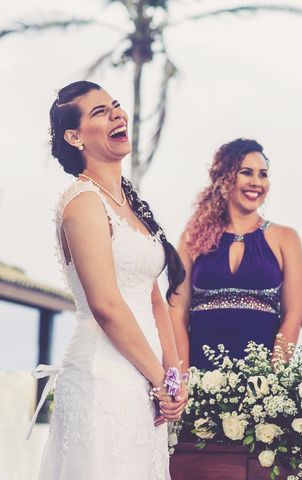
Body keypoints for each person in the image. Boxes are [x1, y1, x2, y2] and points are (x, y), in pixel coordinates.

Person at [33, 81, 188, 479]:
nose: (117, 114)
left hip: (145, 379)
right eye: (100, 112)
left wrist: (174, 376)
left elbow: (153, 297)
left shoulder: (129, 206)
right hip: (105, 375)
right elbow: (105, 304)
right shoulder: (83, 203)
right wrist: (159, 380)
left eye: (116, 106)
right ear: (74, 136)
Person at [169, 138, 302, 370]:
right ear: (224, 177)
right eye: (246, 172)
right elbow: (177, 311)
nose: (256, 182)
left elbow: (294, 314)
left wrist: (272, 379)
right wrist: (183, 377)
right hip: (201, 380)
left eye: (263, 174)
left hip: (261, 385)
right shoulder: (191, 238)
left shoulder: (286, 238)